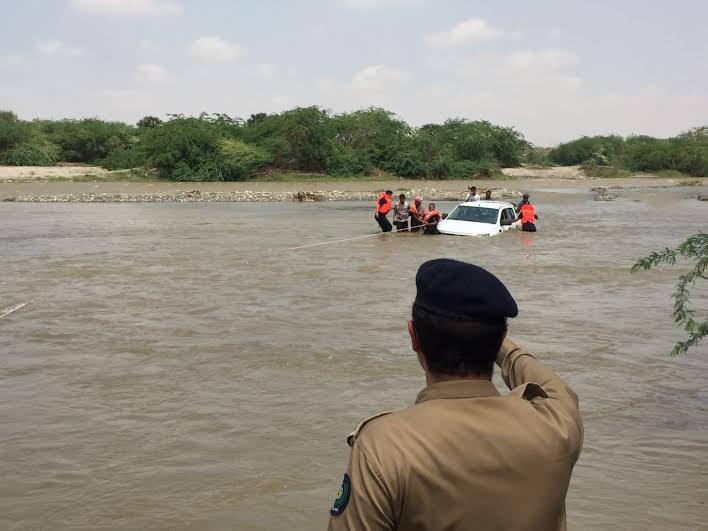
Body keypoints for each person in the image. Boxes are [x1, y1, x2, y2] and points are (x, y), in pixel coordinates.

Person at [327, 259, 583, 530]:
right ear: (500, 339)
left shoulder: (383, 447)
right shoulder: (557, 425)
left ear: (414, 337)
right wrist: (494, 341)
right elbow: (553, 386)